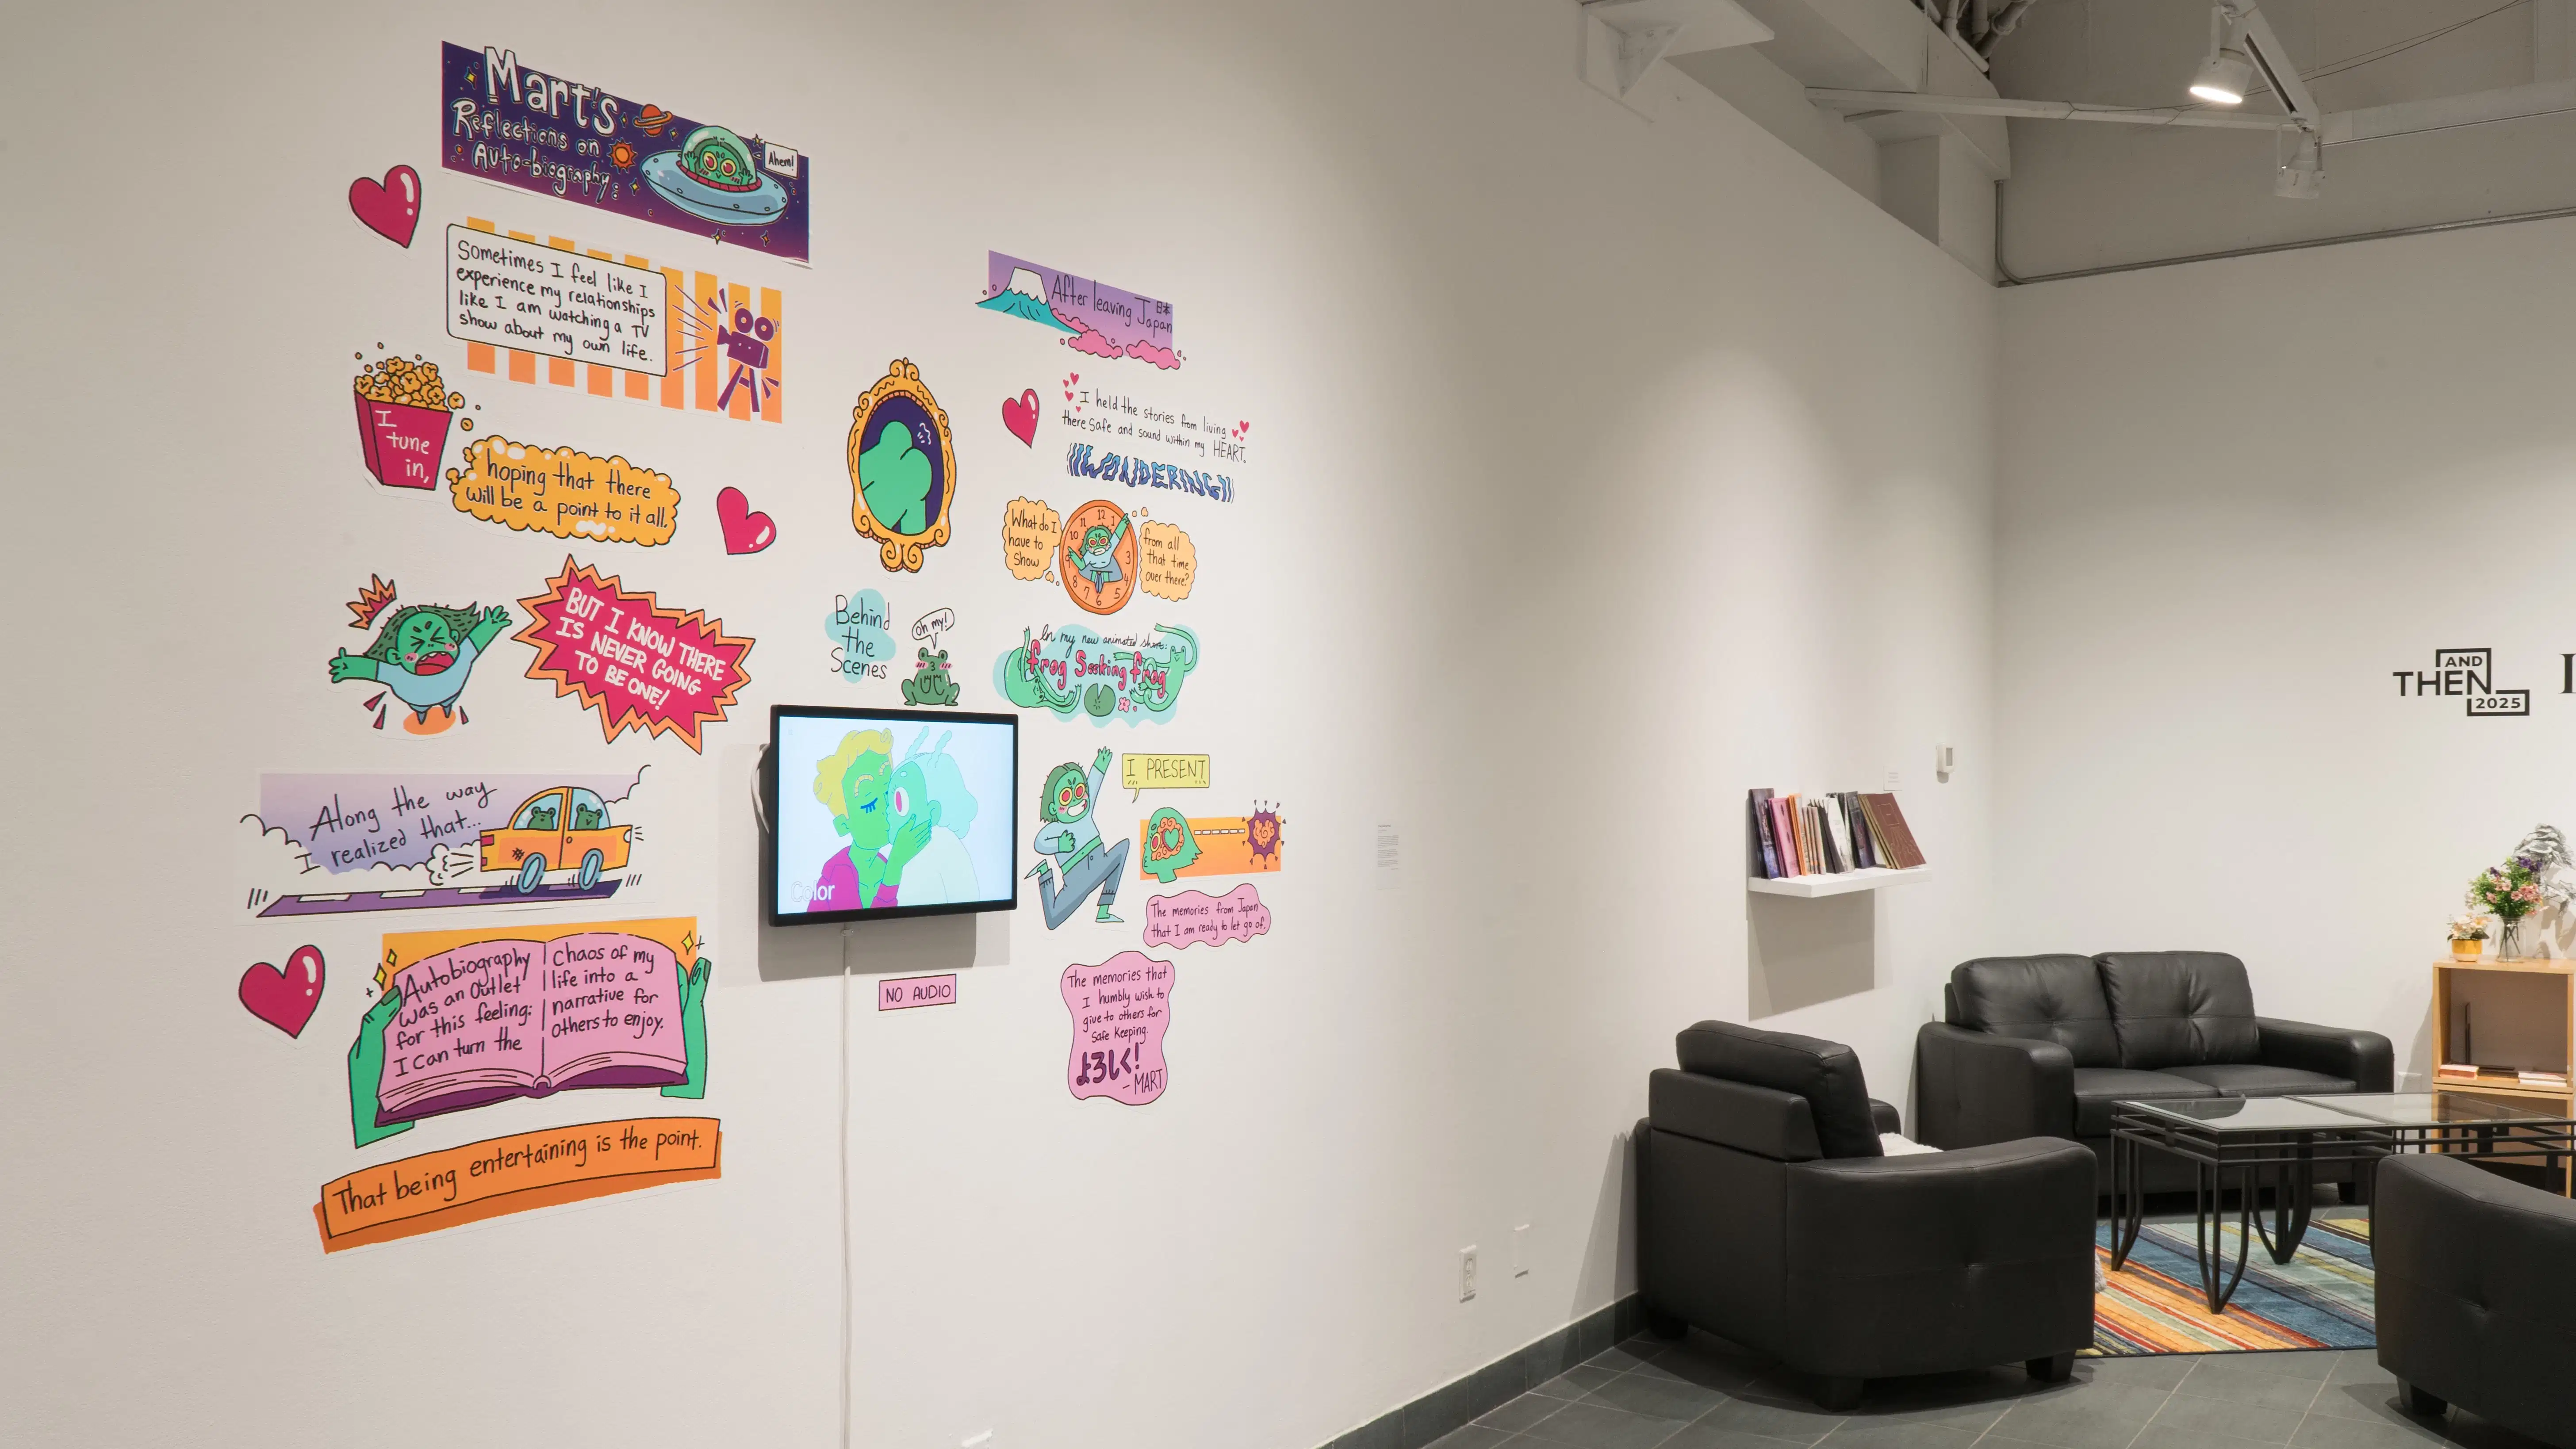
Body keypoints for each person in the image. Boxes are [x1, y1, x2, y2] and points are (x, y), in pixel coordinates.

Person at [809, 730, 931, 912]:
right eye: (869, 800)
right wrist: (895, 864)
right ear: (844, 825)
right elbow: (874, 918)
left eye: (889, 790)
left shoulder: (882, 863)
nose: (887, 806)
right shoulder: (839, 870)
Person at [1027, 747, 1129, 926]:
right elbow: (1039, 843)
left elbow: (1094, 784)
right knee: (1053, 920)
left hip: (1099, 863)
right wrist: (1060, 845)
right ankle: (1045, 874)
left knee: (1123, 849)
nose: (1076, 800)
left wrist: (1100, 765)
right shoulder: (1055, 828)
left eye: (1080, 791)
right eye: (1066, 796)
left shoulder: (1086, 811)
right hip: (1076, 881)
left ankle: (1104, 910)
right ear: (1053, 808)